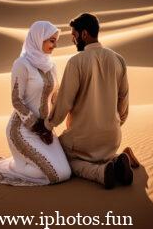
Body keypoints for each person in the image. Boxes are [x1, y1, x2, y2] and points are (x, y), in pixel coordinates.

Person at [43, 13, 140, 189]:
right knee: (102, 154)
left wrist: (48, 126)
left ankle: (101, 174)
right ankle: (116, 161)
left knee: (62, 158)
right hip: (112, 138)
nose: (73, 39)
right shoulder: (118, 60)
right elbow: (123, 101)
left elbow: (64, 102)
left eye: (74, 35)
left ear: (84, 34)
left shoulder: (76, 62)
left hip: (82, 140)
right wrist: (115, 123)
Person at [0, 21, 71, 186]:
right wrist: (37, 126)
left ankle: (21, 162)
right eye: (51, 40)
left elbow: (55, 97)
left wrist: (50, 125)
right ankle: (14, 167)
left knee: (66, 172)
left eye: (55, 40)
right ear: (39, 38)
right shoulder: (22, 64)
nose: (55, 44)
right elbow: (16, 100)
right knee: (54, 175)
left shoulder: (51, 66)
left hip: (45, 131)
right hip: (22, 130)